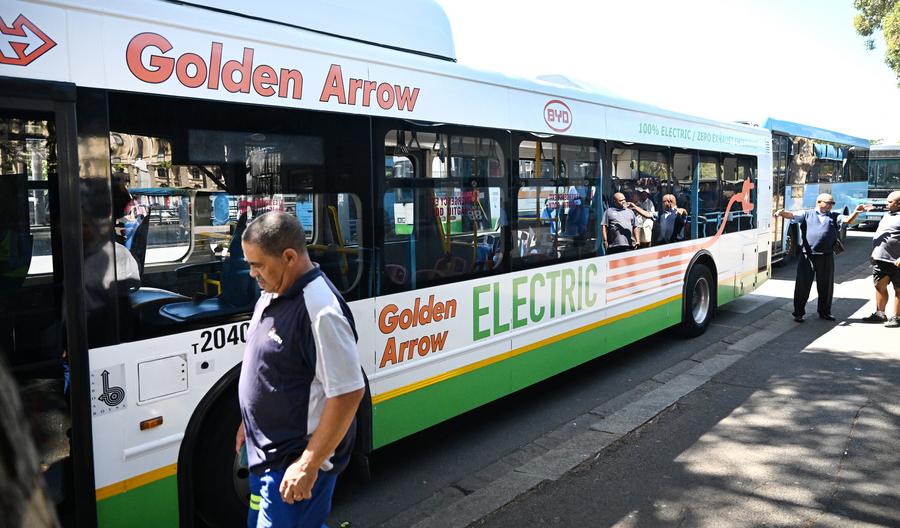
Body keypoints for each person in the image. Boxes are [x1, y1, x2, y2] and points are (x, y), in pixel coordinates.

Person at [235, 212, 365, 528]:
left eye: (257, 264)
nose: (252, 273)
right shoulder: (272, 292)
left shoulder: (321, 310)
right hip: (264, 456)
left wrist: (307, 465)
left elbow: (348, 392)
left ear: (290, 257)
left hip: (292, 463)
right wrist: (248, 420)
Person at [775, 194, 868, 322]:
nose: (830, 205)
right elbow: (792, 215)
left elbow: (847, 221)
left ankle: (824, 312)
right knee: (802, 285)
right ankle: (798, 313)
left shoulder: (834, 216)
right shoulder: (807, 214)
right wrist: (782, 213)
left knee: (826, 286)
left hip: (826, 256)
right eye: (828, 203)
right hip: (808, 256)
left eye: (832, 203)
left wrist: (856, 212)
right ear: (819, 202)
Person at [861, 190, 900, 327]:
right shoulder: (887, 215)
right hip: (881, 259)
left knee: (899, 289)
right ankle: (880, 314)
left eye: (890, 202)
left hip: (897, 261)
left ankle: (897, 317)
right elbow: (880, 234)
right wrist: (874, 252)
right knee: (879, 286)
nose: (886, 204)